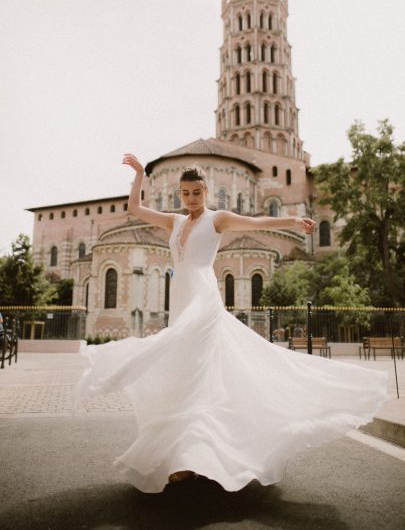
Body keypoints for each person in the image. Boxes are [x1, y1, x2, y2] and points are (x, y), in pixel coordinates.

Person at [75, 154, 388, 493]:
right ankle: (189, 457)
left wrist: (295, 222)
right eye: (185, 193)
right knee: (188, 373)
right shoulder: (175, 222)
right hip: (180, 299)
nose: (191, 199)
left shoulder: (217, 219)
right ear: (180, 194)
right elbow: (136, 210)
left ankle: (195, 457)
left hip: (203, 298)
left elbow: (255, 225)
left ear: (205, 191)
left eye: (196, 192)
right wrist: (139, 175)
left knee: (189, 365)